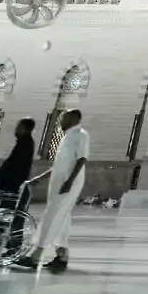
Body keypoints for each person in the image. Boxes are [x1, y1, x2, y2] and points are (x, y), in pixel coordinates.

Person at [20, 109, 87, 271]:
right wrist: (40, 178)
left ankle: (37, 254)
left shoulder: (81, 134)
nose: (61, 121)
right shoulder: (66, 137)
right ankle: (62, 254)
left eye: (64, 118)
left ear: (73, 119)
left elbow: (82, 158)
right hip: (59, 183)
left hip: (68, 184)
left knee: (53, 214)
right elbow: (59, 165)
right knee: (62, 216)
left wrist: (69, 182)